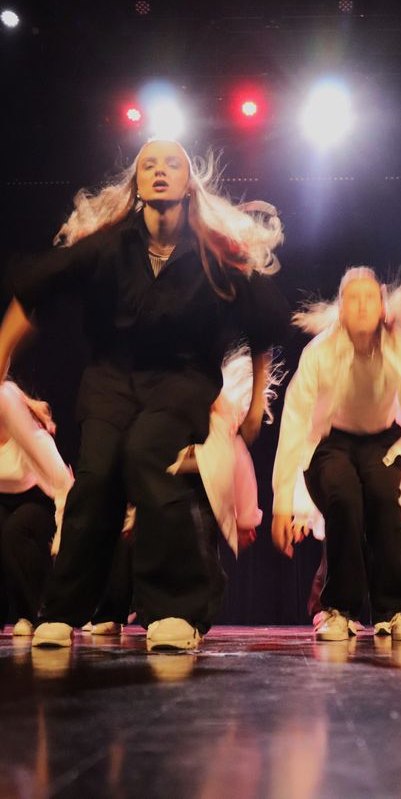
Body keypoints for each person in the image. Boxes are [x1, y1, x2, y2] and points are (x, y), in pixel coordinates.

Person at [0, 139, 288, 650]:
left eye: (171, 164)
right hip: (111, 378)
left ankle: (176, 609)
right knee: (97, 476)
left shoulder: (213, 250)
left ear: (188, 183)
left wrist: (255, 405)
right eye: (148, 164)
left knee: (147, 455)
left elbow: (263, 323)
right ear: (136, 183)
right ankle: (62, 611)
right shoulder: (110, 244)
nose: (159, 171)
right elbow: (37, 285)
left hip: (181, 377)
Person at [272, 268, 401, 642]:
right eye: (352, 299)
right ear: (340, 309)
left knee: (384, 501)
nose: (361, 306)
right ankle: (339, 609)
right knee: (344, 499)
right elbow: (293, 422)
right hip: (330, 442)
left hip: (380, 442)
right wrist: (281, 505)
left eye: (369, 298)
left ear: (382, 306)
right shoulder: (320, 352)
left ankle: (397, 609)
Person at [0, 381, 72, 635]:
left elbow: (63, 485)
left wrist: (62, 535)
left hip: (41, 500)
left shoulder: (32, 437)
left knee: (15, 530)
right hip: (4, 501)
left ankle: (33, 614)